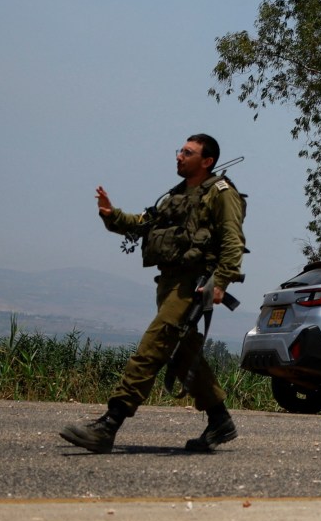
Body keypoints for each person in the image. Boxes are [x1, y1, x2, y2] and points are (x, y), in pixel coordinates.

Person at [59, 135, 248, 454]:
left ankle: (109, 423)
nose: (179, 156)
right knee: (185, 353)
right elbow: (144, 224)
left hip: (193, 284)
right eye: (180, 150)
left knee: (154, 345)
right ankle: (219, 420)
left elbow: (233, 240)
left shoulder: (220, 193)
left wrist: (221, 282)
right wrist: (111, 214)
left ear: (207, 161)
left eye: (188, 153)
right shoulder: (177, 195)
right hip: (170, 283)